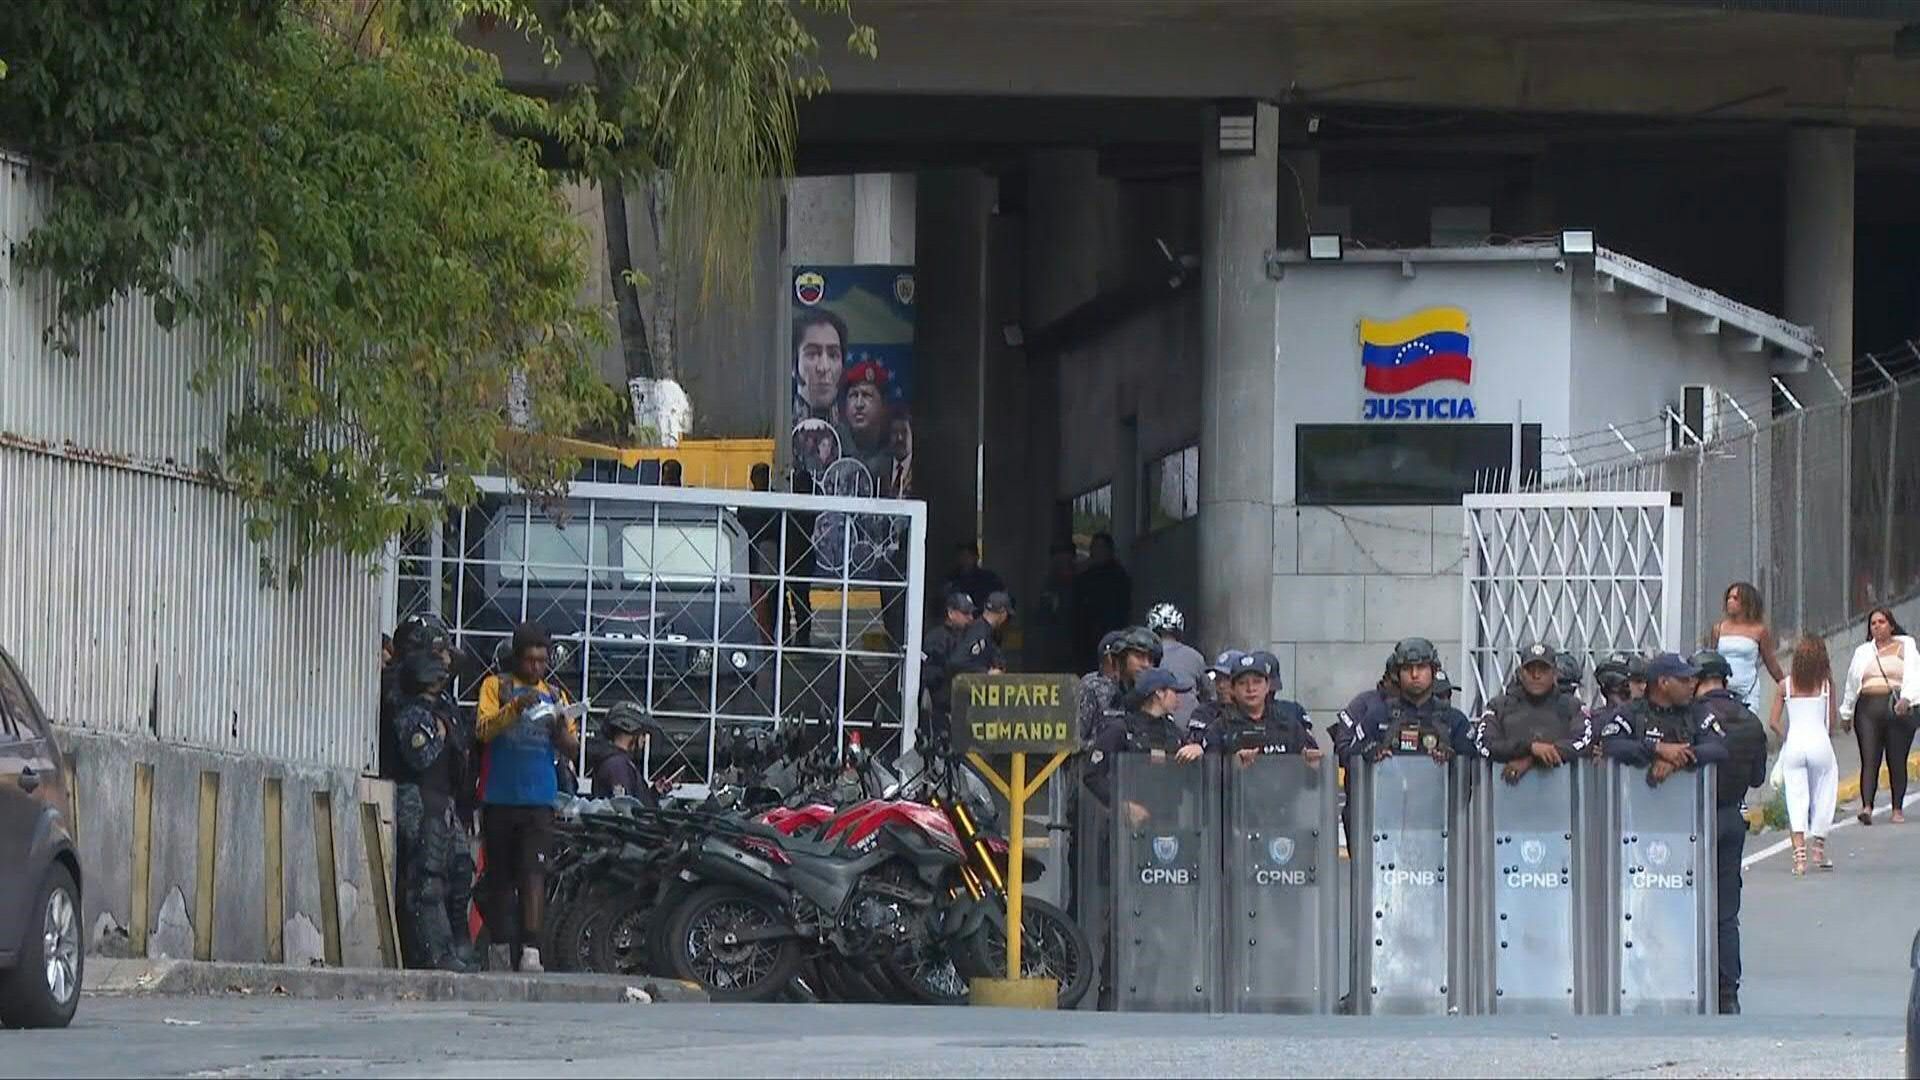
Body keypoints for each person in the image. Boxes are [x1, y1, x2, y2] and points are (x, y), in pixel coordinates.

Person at [474, 621, 578, 974]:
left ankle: (531, 948)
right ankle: (501, 944)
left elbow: (573, 748)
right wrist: (515, 709)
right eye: (530, 660)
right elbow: (483, 730)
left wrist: (560, 729)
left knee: (534, 872)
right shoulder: (496, 687)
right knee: (500, 874)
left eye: (542, 661)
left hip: (540, 798)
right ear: (516, 658)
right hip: (500, 797)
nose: (536, 668)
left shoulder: (556, 695)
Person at [1694, 648, 1767, 1013]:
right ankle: (1727, 993)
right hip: (1731, 818)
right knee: (1726, 912)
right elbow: (1757, 778)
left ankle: (1688, 984)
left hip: (1692, 817)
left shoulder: (1694, 717)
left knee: (1682, 902)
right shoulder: (1750, 721)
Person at [390, 651, 472, 972]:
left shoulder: (444, 710)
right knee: (427, 880)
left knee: (460, 871)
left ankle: (456, 945)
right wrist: (438, 731)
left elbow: (461, 759)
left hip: (445, 800)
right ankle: (434, 952)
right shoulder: (409, 713)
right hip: (419, 799)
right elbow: (420, 757)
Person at [1838, 607, 1920, 825]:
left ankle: (1897, 808)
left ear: (1891, 625)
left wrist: (1907, 699)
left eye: (1881, 622)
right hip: (1867, 709)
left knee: (1896, 759)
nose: (1877, 626)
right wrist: (1846, 712)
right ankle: (1867, 807)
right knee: (1870, 758)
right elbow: (1851, 683)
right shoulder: (1863, 652)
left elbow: (1914, 673)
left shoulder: (1906, 645)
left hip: (1896, 708)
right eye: (1873, 623)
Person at [1333, 637, 1474, 764]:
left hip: (1439, 792)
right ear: (1397, 674)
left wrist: (1452, 759)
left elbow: (1475, 771)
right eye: (1407, 669)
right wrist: (1370, 752)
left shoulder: (1455, 720)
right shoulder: (1376, 717)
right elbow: (1347, 758)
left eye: (1422, 667)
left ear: (1434, 671)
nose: (1414, 674)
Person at [1473, 642, 1595, 784]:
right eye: (1530, 669)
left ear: (1555, 673)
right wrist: (1529, 748)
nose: (1536, 675)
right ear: (1520, 673)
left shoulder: (1572, 706)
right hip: (1506, 799)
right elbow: (1484, 744)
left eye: (1543, 669)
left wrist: (1531, 759)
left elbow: (1584, 742)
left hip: (1562, 797)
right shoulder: (1499, 706)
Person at [1084, 669, 1196, 823]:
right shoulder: (1122, 729)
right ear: (1159, 693)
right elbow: (1092, 775)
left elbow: (1190, 777)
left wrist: (1197, 751)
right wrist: (1123, 805)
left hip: (1168, 820)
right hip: (1129, 826)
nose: (1179, 699)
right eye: (1174, 692)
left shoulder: (1174, 733)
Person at [1599, 653, 1729, 785]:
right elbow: (1610, 744)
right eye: (1684, 680)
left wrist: (1680, 758)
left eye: (1692, 679)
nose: (1692, 685)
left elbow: (1719, 747)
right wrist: (1656, 749)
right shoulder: (1632, 711)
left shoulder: (1696, 710)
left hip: (1686, 800)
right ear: (1663, 683)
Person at [1773, 635, 1841, 872]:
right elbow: (1831, 722)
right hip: (1819, 742)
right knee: (1824, 794)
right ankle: (1818, 852)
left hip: (1795, 745)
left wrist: (1787, 738)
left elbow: (1773, 721)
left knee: (1796, 798)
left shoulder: (1785, 685)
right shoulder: (1826, 685)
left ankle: (1799, 859)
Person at [1189, 651, 1321, 764]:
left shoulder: (1288, 724)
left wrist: (1311, 766)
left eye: (1257, 682)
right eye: (1242, 683)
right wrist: (1235, 767)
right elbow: (1210, 780)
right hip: (1237, 793)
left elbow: (1313, 778)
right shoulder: (1220, 729)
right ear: (1233, 689)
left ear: (1268, 686)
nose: (1251, 689)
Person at [1706, 582, 1785, 714]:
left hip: (1748, 691)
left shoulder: (1759, 630)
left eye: (1735, 598)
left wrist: (1785, 684)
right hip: (1722, 692)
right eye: (1729, 598)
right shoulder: (1718, 629)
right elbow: (1710, 660)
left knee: (1747, 729)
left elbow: (1771, 663)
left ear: (1747, 602)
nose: (1730, 601)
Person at [920, 592, 983, 744]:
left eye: (972, 613)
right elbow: (928, 675)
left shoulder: (969, 637)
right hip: (941, 711)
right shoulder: (936, 638)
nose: (970, 618)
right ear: (951, 613)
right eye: (966, 613)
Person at [1078, 627, 1156, 741]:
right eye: (1139, 657)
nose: (1146, 664)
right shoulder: (1091, 687)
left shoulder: (1142, 691)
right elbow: (1073, 741)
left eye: (1150, 659)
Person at [1145, 603, 1211, 730]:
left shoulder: (1144, 657)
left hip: (1154, 729)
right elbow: (1208, 696)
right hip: (1190, 730)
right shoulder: (1195, 656)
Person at [1071, 532, 1133, 668]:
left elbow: (1123, 608)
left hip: (1111, 634)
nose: (1098, 552)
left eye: (1101, 548)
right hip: (1085, 640)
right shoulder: (1084, 577)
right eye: (1095, 548)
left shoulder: (1119, 577)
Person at [834, 360, 896, 482]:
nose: (859, 404)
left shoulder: (896, 448)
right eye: (853, 395)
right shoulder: (832, 446)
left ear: (883, 405)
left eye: (867, 395)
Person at [589, 703, 662, 804]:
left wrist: (655, 792)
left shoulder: (619, 761)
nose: (645, 739)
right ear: (631, 729)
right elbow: (626, 811)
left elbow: (637, 804)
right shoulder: (617, 765)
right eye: (643, 733)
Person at [793, 307, 848, 423]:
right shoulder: (774, 431)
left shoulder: (854, 436)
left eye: (833, 355)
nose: (824, 367)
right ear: (793, 364)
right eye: (812, 354)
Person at [1031, 543, 1079, 673]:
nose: (1063, 564)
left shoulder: (1080, 583)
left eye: (1066, 561)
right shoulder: (1049, 583)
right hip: (1051, 643)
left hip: (1075, 643)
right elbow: (1040, 616)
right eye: (1059, 561)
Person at [942, 542, 1007, 615]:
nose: (965, 560)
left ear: (976, 557)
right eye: (962, 556)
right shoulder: (951, 580)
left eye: (968, 556)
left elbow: (1001, 600)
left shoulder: (989, 579)